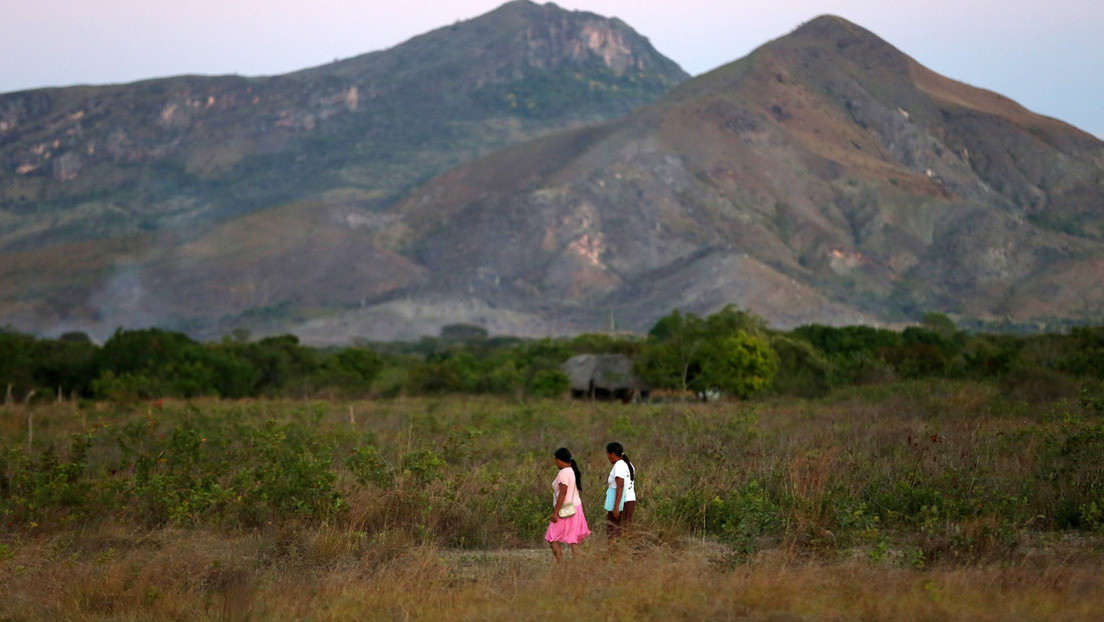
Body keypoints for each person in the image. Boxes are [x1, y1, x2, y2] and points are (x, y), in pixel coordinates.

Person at [545, 447, 590, 561]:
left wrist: (555, 512)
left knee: (551, 536)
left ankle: (560, 563)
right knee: (574, 539)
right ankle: (576, 564)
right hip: (576, 507)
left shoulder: (563, 473)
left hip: (565, 510)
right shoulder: (571, 470)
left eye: (555, 460)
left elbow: (563, 493)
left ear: (559, 460)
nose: (555, 463)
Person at [605, 441, 636, 538]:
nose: (608, 457)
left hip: (622, 503)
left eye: (608, 454)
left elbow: (620, 486)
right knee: (624, 532)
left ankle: (615, 549)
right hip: (630, 501)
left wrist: (616, 507)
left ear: (613, 454)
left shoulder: (619, 465)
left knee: (613, 533)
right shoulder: (628, 464)